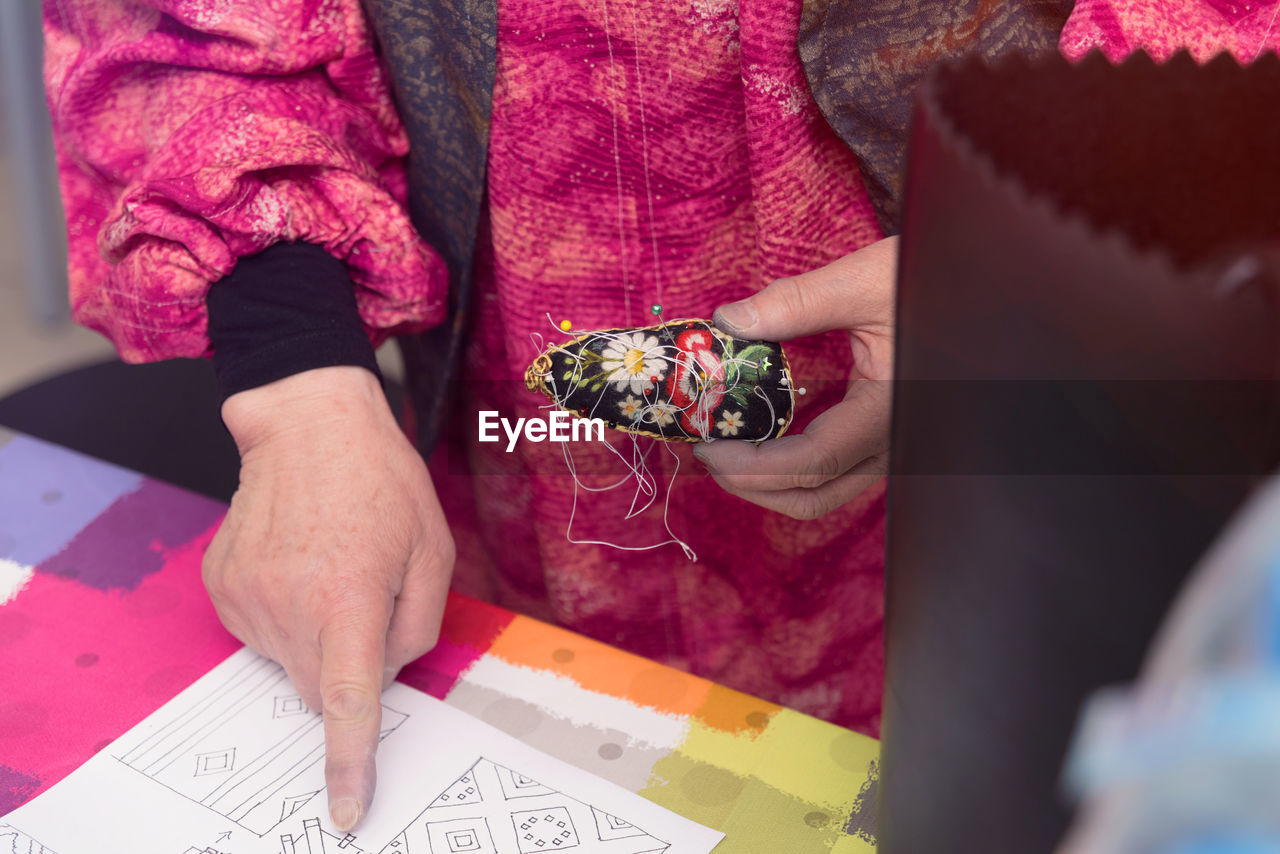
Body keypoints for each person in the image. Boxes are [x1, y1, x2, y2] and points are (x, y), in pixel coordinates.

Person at [42, 0, 1247, 834]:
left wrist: (1037, 262)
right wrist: (299, 382)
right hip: (510, 433)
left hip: (1003, 413)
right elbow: (193, 31)